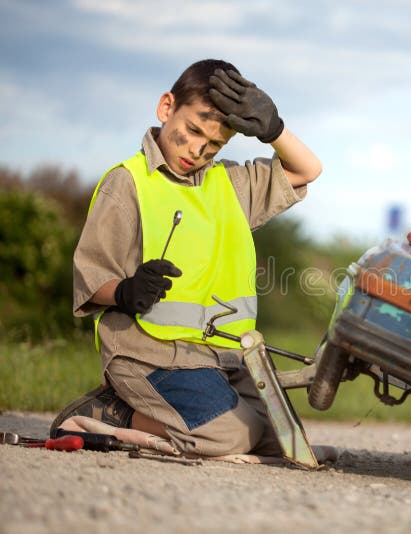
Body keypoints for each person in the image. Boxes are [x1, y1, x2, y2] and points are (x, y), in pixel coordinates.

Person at [50, 59, 323, 458]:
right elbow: (92, 279)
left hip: (223, 359)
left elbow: (307, 169)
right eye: (193, 130)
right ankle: (113, 413)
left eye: (213, 145)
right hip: (149, 356)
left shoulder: (231, 184)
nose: (198, 150)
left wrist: (274, 130)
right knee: (229, 438)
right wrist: (126, 291)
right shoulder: (126, 184)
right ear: (166, 108)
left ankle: (170, 417)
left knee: (283, 439)